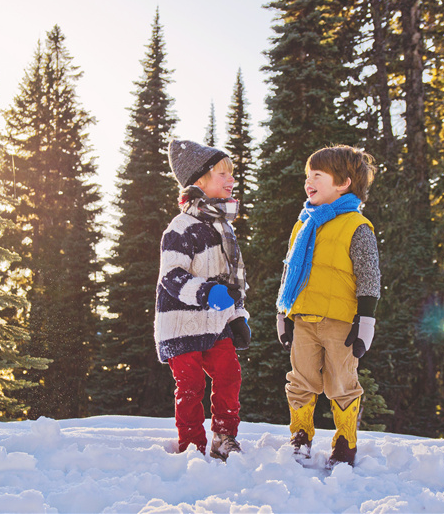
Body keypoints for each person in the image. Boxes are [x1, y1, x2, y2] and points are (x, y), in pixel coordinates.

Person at [275, 145, 380, 467]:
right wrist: (283, 312)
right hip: (303, 318)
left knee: (342, 384)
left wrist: (365, 321)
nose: (309, 181)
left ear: (343, 183)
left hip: (340, 323)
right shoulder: (303, 225)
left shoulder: (356, 226)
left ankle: (345, 443)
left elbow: (369, 276)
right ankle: (300, 436)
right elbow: (289, 271)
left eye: (317, 175)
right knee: (300, 380)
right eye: (307, 175)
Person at [154, 139, 251, 461]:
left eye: (232, 174)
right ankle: (192, 445)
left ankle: (224, 436)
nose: (231, 179)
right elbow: (172, 276)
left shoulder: (224, 230)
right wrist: (206, 292)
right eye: (222, 173)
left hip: (215, 323)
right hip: (181, 324)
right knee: (192, 385)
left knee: (229, 374)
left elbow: (233, 282)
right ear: (199, 182)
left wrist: (237, 316)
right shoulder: (181, 228)